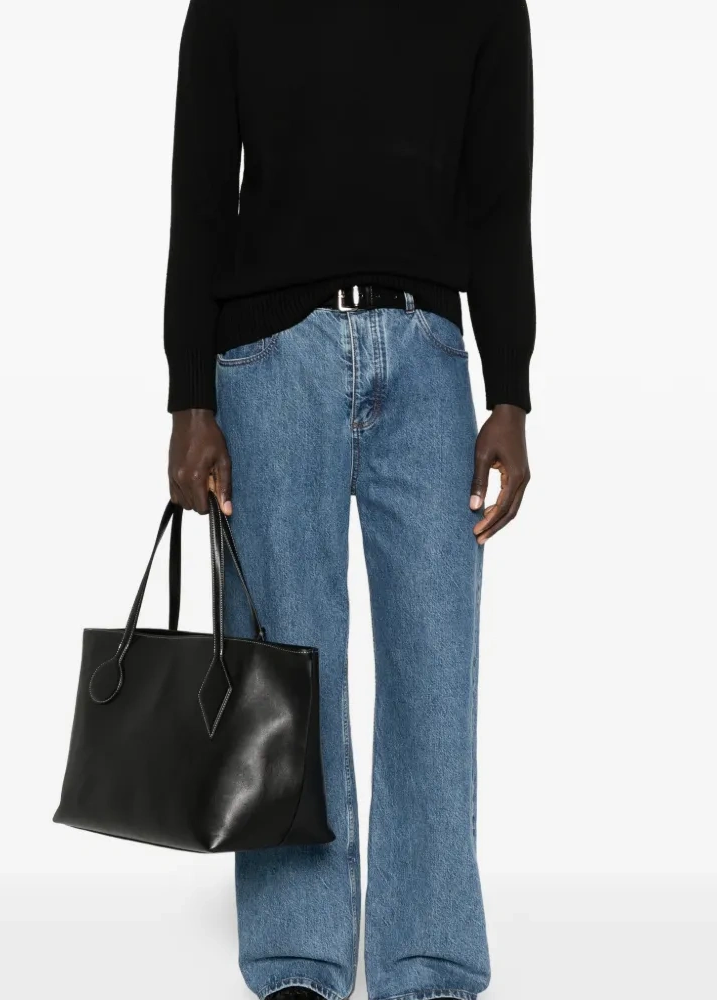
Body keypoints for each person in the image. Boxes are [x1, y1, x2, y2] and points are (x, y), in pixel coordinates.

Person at [164, 2, 534, 999]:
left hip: (428, 356)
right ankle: (298, 956)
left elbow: (498, 199)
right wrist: (190, 398)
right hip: (268, 362)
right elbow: (200, 192)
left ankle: (430, 960)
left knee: (435, 667)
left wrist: (509, 391)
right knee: (286, 672)